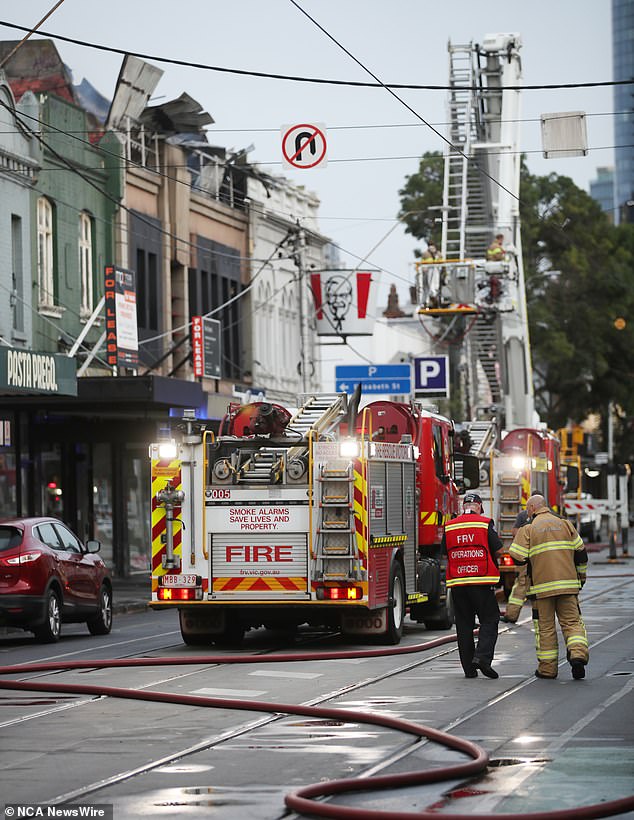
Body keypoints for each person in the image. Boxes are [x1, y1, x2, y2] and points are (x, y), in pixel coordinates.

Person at [509, 493, 589, 680]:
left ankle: (548, 669)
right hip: (568, 586)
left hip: (541, 589)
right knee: (572, 623)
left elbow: (516, 556)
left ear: (532, 509)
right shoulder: (565, 524)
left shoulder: (528, 528)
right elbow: (581, 554)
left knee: (545, 628)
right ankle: (577, 655)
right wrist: (581, 577)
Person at [442, 492, 504, 679]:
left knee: (464, 625)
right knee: (490, 619)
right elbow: (499, 550)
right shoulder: (484, 523)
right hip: (481, 581)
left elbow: (445, 551)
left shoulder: (450, 526)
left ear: (463, 506)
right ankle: (482, 658)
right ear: (479, 506)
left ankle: (469, 669)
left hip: (458, 583)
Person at [502, 508, 530, 623]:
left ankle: (511, 615)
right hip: (545, 561)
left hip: (526, 559)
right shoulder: (554, 518)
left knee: (521, 586)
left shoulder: (524, 516)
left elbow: (514, 532)